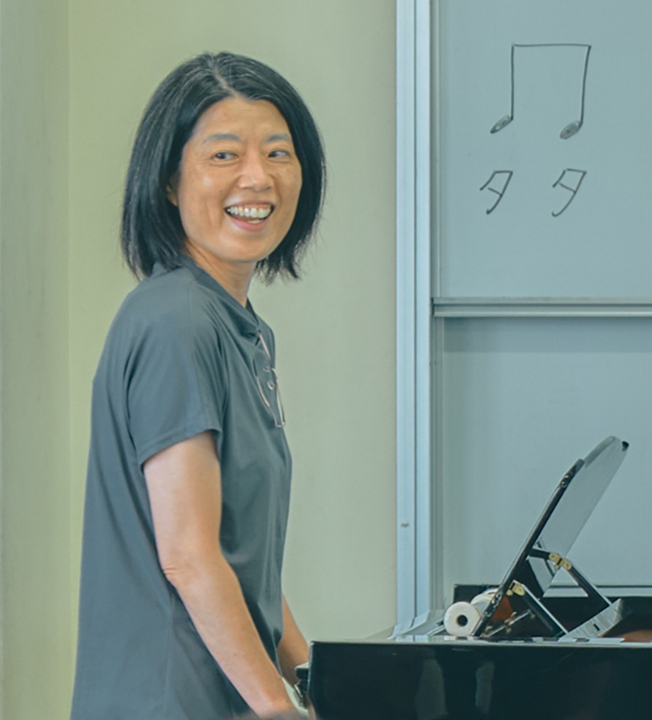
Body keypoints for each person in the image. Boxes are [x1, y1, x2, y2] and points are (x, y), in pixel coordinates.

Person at [70, 52, 325, 720]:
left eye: (278, 152)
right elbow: (188, 554)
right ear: (168, 182)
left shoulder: (235, 326)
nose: (258, 177)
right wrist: (277, 707)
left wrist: (319, 682)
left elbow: (242, 565)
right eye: (223, 155)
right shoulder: (176, 322)